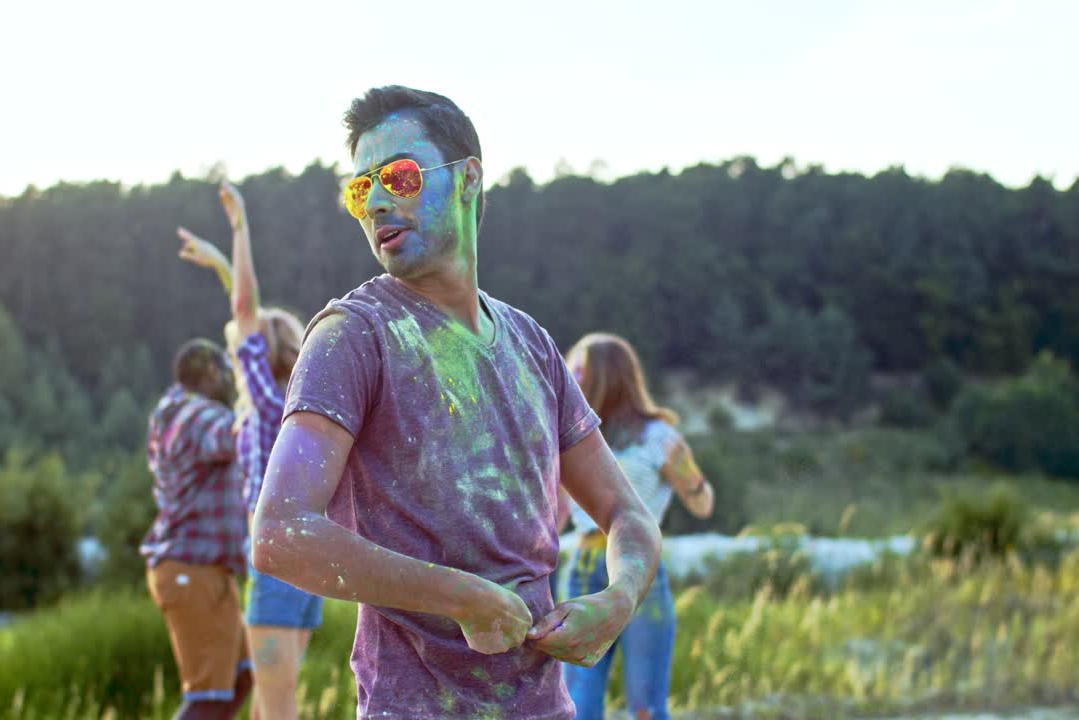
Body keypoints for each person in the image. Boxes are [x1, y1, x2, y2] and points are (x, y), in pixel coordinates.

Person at [250, 85, 663, 719]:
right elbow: (280, 533)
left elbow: (627, 514)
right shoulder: (353, 336)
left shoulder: (531, 345)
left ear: (469, 178)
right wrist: (459, 597)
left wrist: (619, 600)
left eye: (400, 176)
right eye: (360, 189)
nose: (377, 202)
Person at [177, 181, 318, 720]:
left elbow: (244, 308)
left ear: (263, 351)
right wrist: (219, 264)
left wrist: (238, 231)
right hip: (305, 569)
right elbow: (243, 316)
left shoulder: (267, 402)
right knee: (267, 707)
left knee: (276, 712)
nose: (239, 343)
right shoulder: (304, 410)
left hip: (277, 563)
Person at [561, 333, 715, 720]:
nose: (569, 376)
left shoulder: (658, 437)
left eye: (578, 369)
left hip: (639, 567)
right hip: (583, 567)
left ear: (606, 377)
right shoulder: (571, 436)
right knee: (578, 703)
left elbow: (703, 505)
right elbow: (556, 514)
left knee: (646, 706)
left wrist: (691, 478)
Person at [142, 335, 253, 719]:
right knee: (209, 697)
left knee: (243, 678)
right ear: (208, 374)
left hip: (204, 570)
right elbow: (238, 434)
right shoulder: (196, 415)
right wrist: (265, 398)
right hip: (192, 569)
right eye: (226, 373)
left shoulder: (174, 413)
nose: (231, 383)